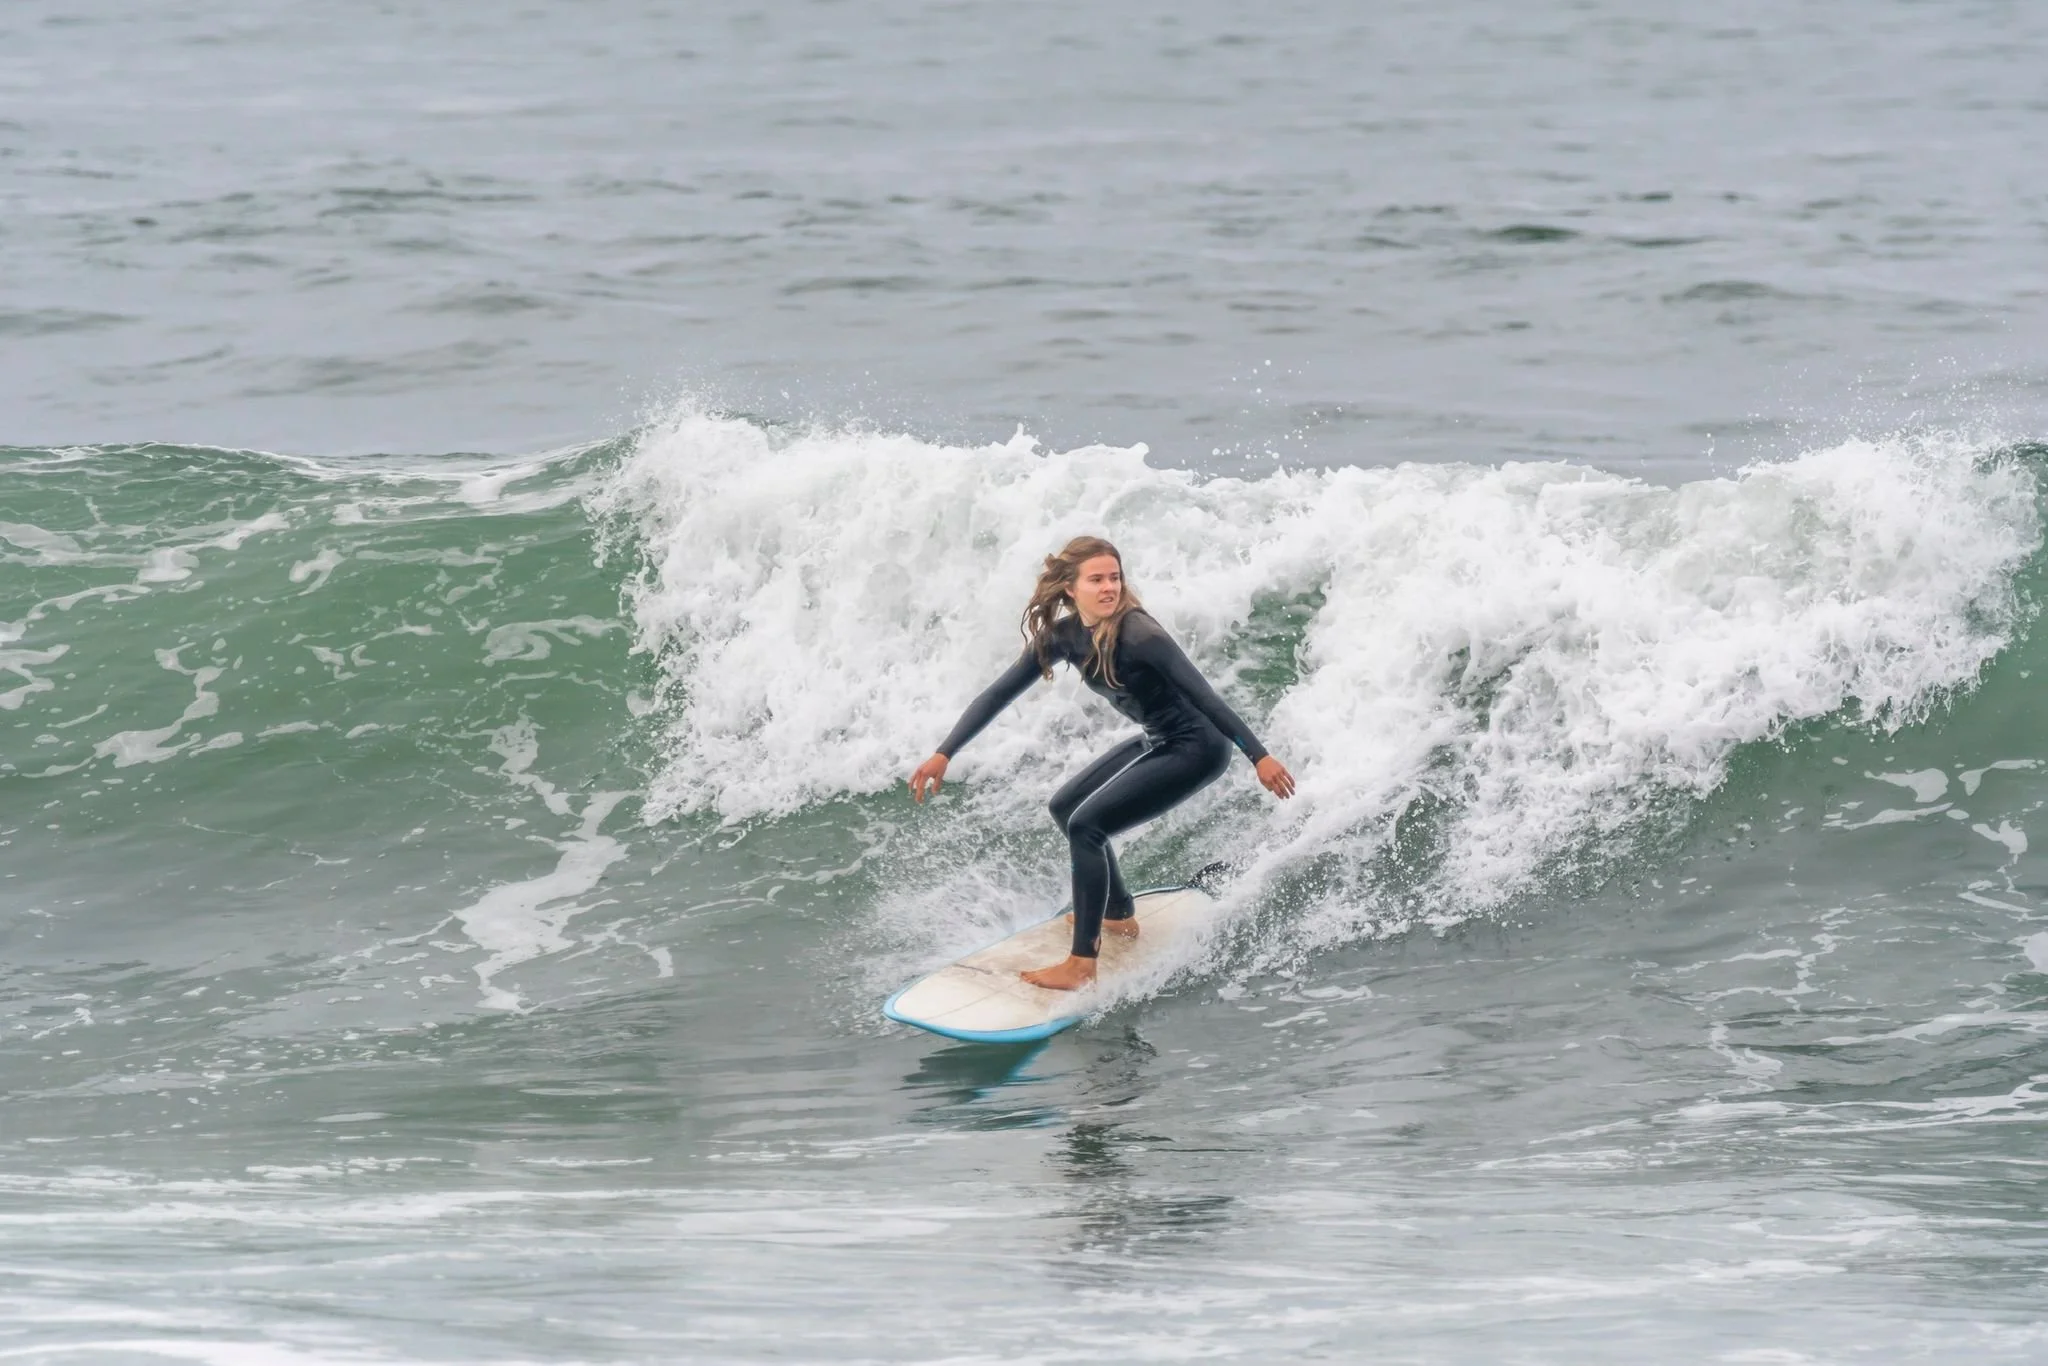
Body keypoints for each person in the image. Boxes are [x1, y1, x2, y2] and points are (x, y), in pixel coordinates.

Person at [908, 535, 1295, 990]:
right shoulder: (1064, 637)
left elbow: (1206, 697)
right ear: (1071, 588)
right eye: (1097, 579)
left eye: (1115, 577)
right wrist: (944, 752)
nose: (1109, 587)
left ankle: (1081, 965)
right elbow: (997, 693)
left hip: (1198, 748)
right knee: (1065, 808)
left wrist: (1259, 756)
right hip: (1159, 739)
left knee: (1086, 826)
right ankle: (1118, 915)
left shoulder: (1142, 636)